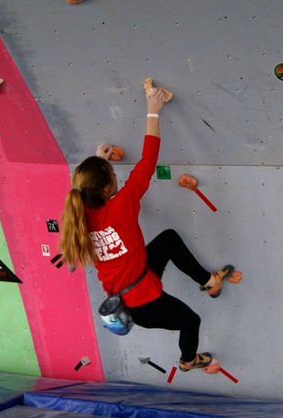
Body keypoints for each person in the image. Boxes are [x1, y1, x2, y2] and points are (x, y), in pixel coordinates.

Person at [59, 87, 241, 372]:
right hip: (144, 305)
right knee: (190, 321)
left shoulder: (79, 215)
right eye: (112, 175)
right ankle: (188, 361)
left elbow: (85, 184)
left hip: (133, 281)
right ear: (105, 189)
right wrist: (153, 110)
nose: (116, 177)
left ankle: (209, 281)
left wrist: (100, 162)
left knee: (168, 239)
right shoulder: (120, 206)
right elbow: (147, 162)